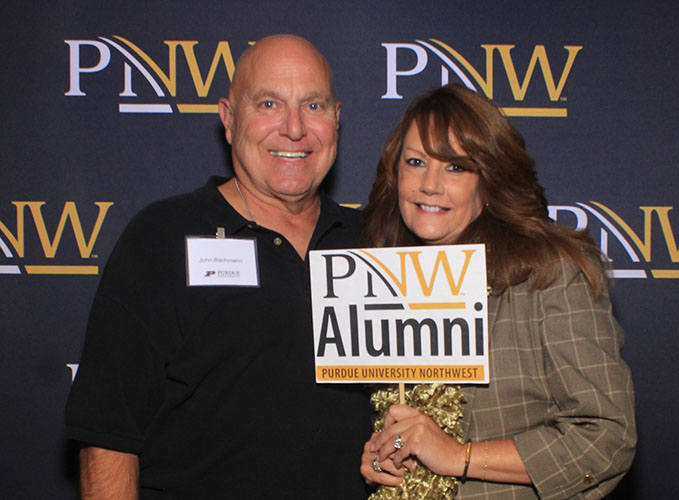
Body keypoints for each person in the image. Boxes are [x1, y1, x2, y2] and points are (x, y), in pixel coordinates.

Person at [65, 34, 371, 499]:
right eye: (269, 103)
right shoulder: (161, 237)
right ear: (229, 120)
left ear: (337, 119)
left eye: (314, 106)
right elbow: (109, 433)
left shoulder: (378, 243)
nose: (294, 128)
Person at [359, 84, 636, 499]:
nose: (429, 184)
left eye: (456, 167)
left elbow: (606, 437)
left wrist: (460, 457)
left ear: (488, 180)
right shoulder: (388, 281)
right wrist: (386, 456)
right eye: (416, 162)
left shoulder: (549, 273)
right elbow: (418, 429)